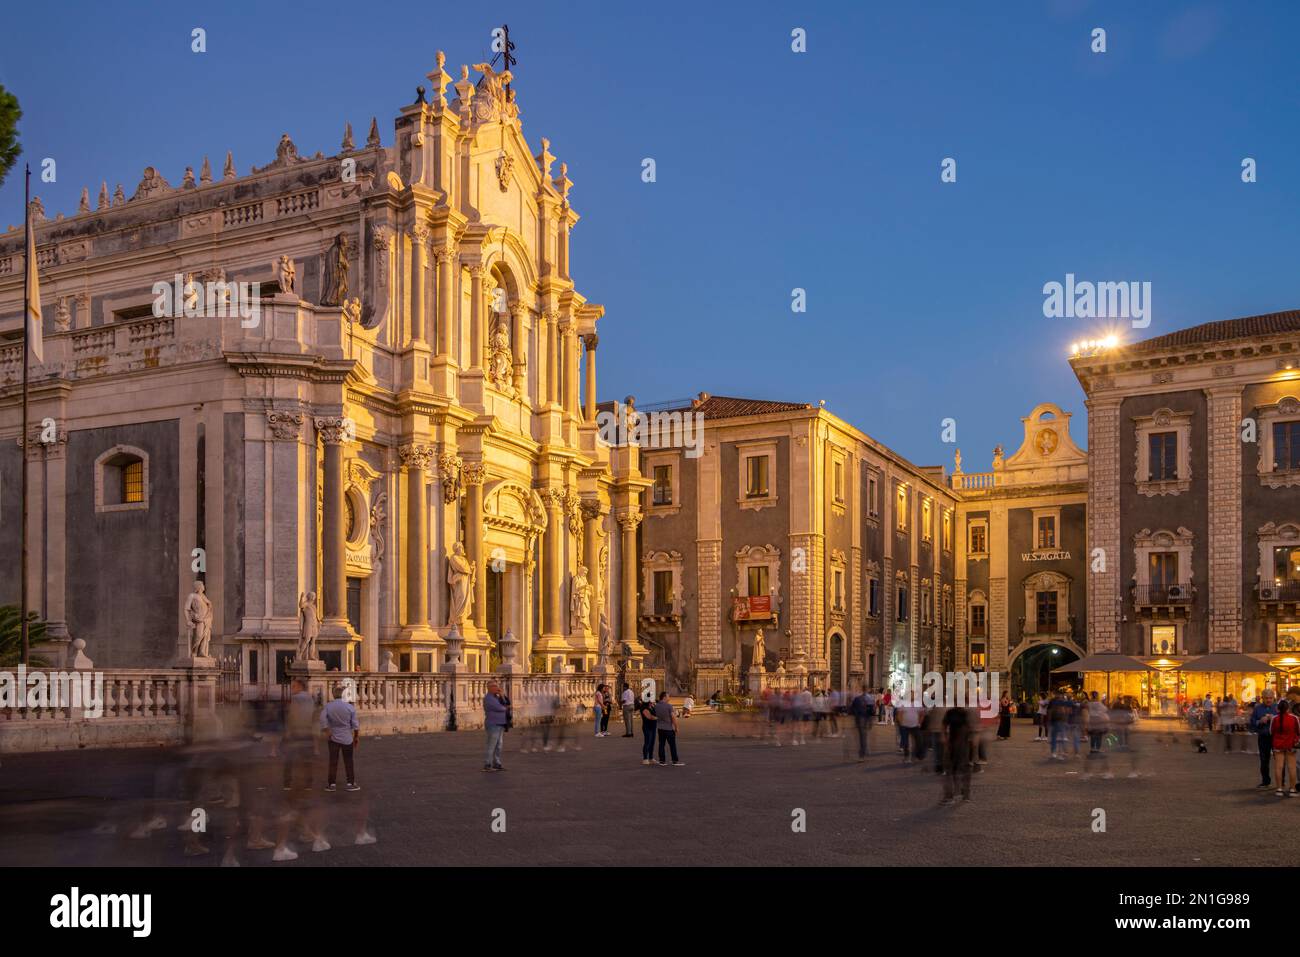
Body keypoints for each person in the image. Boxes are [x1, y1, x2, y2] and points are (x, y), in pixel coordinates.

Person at [320, 684, 360, 791]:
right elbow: (355, 725)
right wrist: (356, 737)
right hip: (347, 737)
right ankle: (350, 783)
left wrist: (327, 730)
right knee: (348, 761)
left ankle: (332, 784)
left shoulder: (328, 706)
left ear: (333, 695)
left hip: (333, 737)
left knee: (333, 761)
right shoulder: (350, 707)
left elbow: (323, 720)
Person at [940, 705, 973, 806]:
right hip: (959, 744)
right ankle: (963, 794)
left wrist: (945, 738)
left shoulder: (954, 713)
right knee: (960, 770)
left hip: (956, 744)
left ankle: (953, 795)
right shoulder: (962, 713)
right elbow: (968, 728)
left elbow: (944, 725)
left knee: (951, 770)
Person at [1268, 699, 1300, 797]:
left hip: (1278, 745)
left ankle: (1279, 789)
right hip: (1290, 744)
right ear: (1288, 708)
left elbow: (1271, 731)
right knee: (1292, 767)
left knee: (1278, 767)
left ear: (1278, 708)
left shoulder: (1275, 718)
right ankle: (1292, 789)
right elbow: (1298, 731)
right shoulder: (1294, 718)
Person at [1251, 690, 1279, 789]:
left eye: (1270, 698)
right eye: (1266, 698)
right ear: (1262, 698)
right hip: (1263, 738)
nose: (1268, 700)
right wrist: (1260, 721)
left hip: (1276, 738)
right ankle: (1266, 782)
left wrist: (1274, 719)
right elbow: (1252, 722)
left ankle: (1281, 783)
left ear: (1273, 698)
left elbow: (1284, 721)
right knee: (1264, 761)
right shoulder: (1257, 709)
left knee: (1279, 760)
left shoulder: (1278, 708)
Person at [482, 679, 510, 771]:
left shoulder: (496, 697)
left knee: (499, 745)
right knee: (492, 744)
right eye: (494, 686)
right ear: (489, 688)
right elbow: (502, 708)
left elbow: (507, 703)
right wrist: (505, 707)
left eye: (497, 686)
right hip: (493, 724)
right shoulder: (489, 698)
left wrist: (502, 695)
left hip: (500, 723)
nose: (497, 688)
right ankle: (488, 764)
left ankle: (497, 763)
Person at [654, 691, 684, 766]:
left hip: (660, 728)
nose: (669, 698)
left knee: (661, 744)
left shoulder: (656, 706)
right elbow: (673, 718)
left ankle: (662, 760)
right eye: (668, 696)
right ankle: (674, 760)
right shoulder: (669, 706)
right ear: (664, 697)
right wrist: (676, 727)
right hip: (668, 728)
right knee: (672, 745)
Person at [849, 688, 873, 761]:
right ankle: (864, 750)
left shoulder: (857, 698)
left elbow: (851, 709)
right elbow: (872, 711)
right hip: (865, 719)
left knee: (862, 737)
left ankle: (862, 754)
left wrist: (855, 714)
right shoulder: (869, 698)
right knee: (863, 736)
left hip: (860, 719)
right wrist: (870, 721)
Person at [639, 693, 658, 765]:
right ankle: (645, 758)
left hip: (653, 726)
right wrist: (659, 718)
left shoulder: (652, 706)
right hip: (647, 727)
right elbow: (649, 717)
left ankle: (651, 757)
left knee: (652, 742)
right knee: (647, 742)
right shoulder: (644, 708)